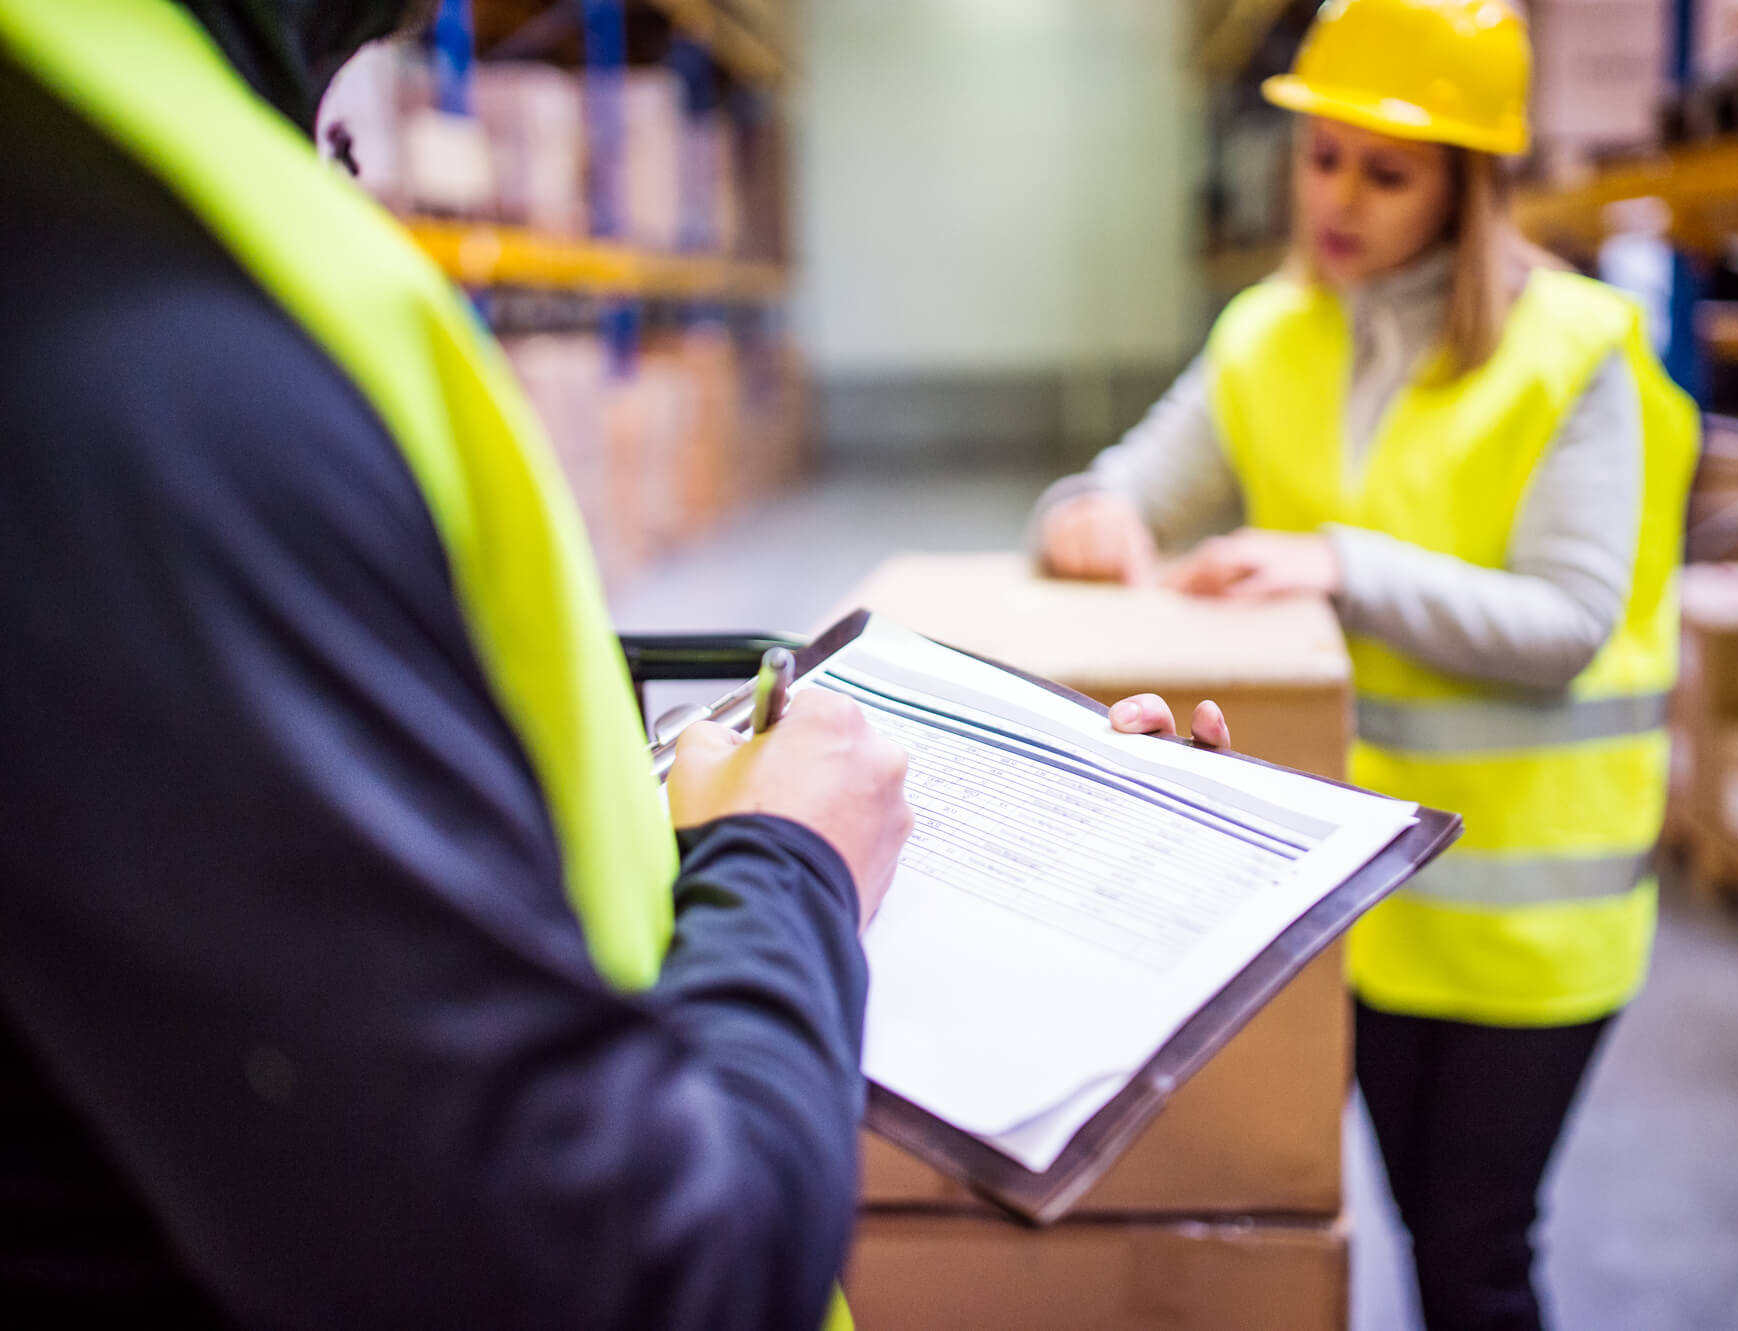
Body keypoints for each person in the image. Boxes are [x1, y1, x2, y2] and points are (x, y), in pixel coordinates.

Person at [0, 2, 1224, 1326]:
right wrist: (783, 869)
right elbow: (631, 1280)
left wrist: (829, 842)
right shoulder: (151, 363)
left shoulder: (145, 230)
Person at [1035, 2, 1698, 1328]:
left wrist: (1341, 564)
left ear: (1469, 185)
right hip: (1352, 895)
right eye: (1322, 156)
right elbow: (1118, 493)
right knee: (1387, 1225)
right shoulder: (1271, 334)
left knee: (1472, 1249)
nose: (1337, 198)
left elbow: (1568, 624)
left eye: (1384, 172)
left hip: (1527, 918)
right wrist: (1086, 514)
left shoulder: (1573, 355)